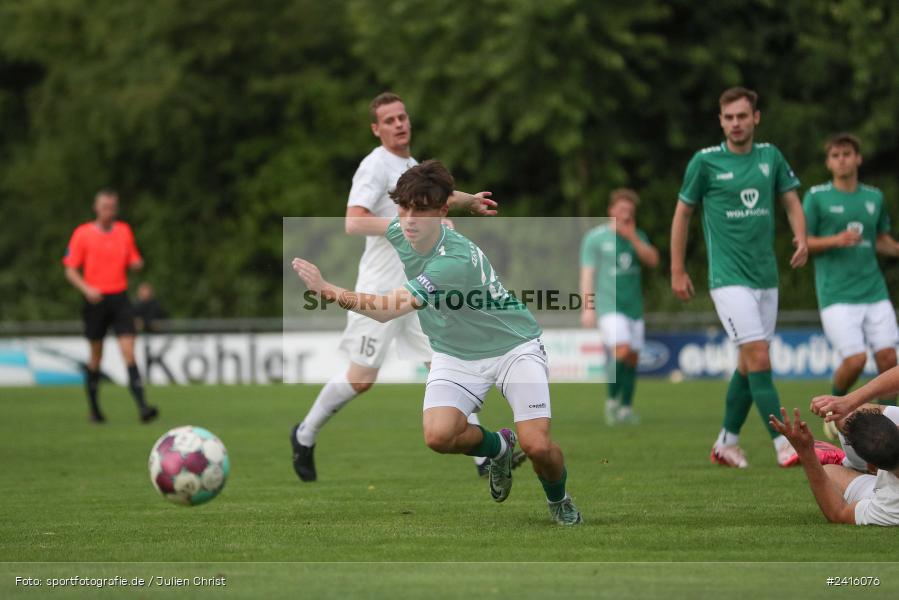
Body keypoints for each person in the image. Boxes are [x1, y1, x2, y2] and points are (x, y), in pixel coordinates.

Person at [292, 160, 582, 525]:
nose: (409, 220)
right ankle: (499, 448)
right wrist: (469, 200)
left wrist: (328, 290)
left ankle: (559, 499)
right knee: (438, 436)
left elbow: (387, 310)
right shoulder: (403, 227)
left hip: (512, 347)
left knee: (538, 446)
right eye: (404, 208)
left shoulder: (453, 262)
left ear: (441, 212)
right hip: (455, 353)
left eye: (421, 210)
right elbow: (421, 205)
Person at [290, 92, 522, 481]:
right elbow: (354, 221)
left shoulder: (411, 166)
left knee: (445, 361)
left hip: (420, 286)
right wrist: (412, 224)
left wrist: (467, 202)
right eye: (389, 120)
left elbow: (437, 197)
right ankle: (304, 433)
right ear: (376, 129)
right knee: (361, 379)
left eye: (402, 117)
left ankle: (484, 459)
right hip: (380, 288)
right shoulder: (374, 166)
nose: (399, 124)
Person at [670, 86, 808, 468]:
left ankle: (726, 443)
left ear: (755, 118)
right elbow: (682, 214)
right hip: (728, 279)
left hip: (766, 278)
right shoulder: (705, 162)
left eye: (742, 116)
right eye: (729, 117)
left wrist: (801, 236)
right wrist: (677, 269)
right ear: (720, 121)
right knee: (759, 356)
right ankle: (784, 445)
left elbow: (791, 201)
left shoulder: (771, 156)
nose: (736, 123)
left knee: (749, 364)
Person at [803, 133, 899, 439]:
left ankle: (890, 428)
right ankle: (833, 409)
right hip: (836, 294)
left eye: (847, 154)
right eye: (835, 155)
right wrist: (836, 240)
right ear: (828, 162)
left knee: (889, 359)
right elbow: (803, 242)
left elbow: (880, 240)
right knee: (856, 360)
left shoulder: (874, 197)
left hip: (874, 291)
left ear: (858, 158)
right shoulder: (816, 197)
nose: (841, 160)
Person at [63, 189, 158, 423]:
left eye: (113, 207)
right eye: (105, 207)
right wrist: (87, 289)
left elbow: (133, 259)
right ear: (96, 208)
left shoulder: (124, 231)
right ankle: (94, 410)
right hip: (95, 300)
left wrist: (137, 263)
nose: (109, 212)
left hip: (120, 298)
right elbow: (70, 269)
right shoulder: (83, 234)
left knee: (129, 350)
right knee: (96, 356)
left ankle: (143, 407)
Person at [769, 365, 899, 525]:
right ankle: (853, 461)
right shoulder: (891, 504)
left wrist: (806, 453)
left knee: (828, 473)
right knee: (848, 415)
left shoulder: (890, 505)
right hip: (890, 478)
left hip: (889, 487)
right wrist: (849, 401)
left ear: (872, 467)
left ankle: (849, 462)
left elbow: (839, 513)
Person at [580, 188, 659, 425]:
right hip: (608, 306)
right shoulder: (595, 238)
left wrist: (633, 237)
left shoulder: (638, 237)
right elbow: (587, 275)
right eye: (622, 209)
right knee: (622, 350)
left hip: (634, 307)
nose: (626, 214)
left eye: (630, 211)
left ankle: (626, 408)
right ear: (611, 210)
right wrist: (588, 307)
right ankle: (611, 402)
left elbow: (653, 261)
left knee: (632, 357)